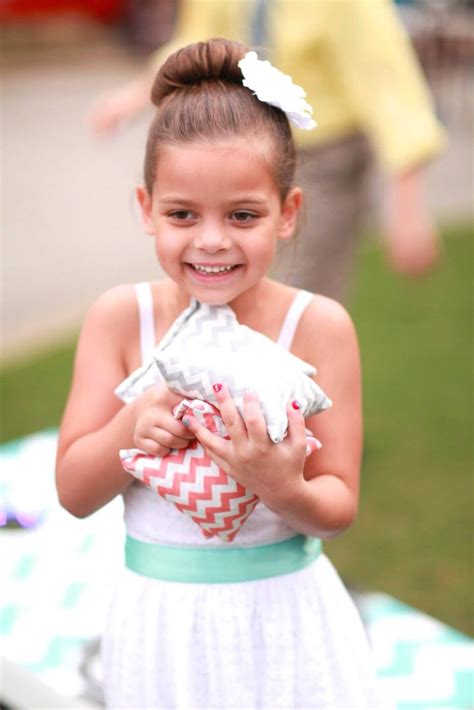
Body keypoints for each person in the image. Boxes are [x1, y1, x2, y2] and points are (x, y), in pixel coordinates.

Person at [57, 38, 383, 708]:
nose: (211, 240)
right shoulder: (121, 320)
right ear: (146, 208)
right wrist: (131, 422)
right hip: (161, 628)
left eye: (242, 215)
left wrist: (279, 485)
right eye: (183, 215)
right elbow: (73, 491)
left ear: (287, 214)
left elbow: (338, 505)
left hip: (285, 620)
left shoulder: (317, 328)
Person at [88, 0, 447, 302]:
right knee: (223, 284)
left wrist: (407, 205)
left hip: (323, 157)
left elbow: (388, 81)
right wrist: (136, 95)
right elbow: (198, 41)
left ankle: (297, 377)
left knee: (297, 294)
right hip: (239, 149)